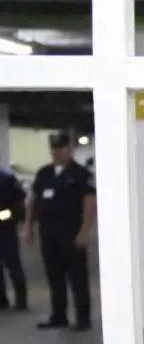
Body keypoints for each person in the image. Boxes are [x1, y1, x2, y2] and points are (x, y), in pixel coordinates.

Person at [25, 133, 94, 330]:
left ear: (69, 150)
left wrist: (84, 231)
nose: (57, 152)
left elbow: (89, 203)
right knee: (54, 276)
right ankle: (59, 315)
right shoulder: (44, 173)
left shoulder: (81, 174)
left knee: (77, 276)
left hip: (70, 230)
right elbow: (32, 201)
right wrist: (29, 227)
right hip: (48, 231)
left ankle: (83, 319)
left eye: (61, 148)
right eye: (54, 149)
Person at [0, 166, 28, 311]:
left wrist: (11, 217)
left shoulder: (6, 178)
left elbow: (19, 201)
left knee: (12, 263)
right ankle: (2, 300)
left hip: (5, 228)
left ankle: (21, 300)